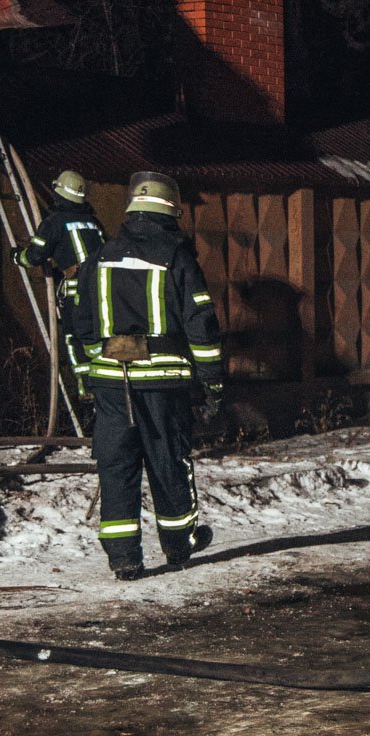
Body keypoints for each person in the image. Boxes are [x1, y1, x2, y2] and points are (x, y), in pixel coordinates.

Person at [71, 171, 224, 581]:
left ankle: (123, 558)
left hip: (111, 382)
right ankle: (179, 545)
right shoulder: (177, 256)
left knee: (116, 465)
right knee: (167, 462)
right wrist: (212, 382)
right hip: (163, 382)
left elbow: (81, 323)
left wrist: (92, 373)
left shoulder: (100, 256)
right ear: (171, 210)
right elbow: (200, 324)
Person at [13, 170, 106, 395]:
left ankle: (87, 389)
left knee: (74, 339)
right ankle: (106, 385)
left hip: (76, 294)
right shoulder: (94, 223)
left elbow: (34, 256)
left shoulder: (53, 222)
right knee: (100, 338)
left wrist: (16, 256)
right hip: (103, 292)